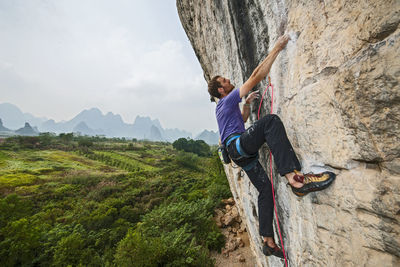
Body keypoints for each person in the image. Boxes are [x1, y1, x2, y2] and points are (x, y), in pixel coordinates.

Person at [208, 34, 335, 258]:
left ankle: (268, 240)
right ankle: (294, 177)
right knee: (270, 122)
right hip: (238, 147)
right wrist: (276, 48)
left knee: (266, 190)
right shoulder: (227, 100)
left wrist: (246, 106)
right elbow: (257, 75)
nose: (229, 81)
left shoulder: (223, 108)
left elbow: (241, 120)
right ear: (221, 90)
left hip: (238, 153)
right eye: (225, 81)